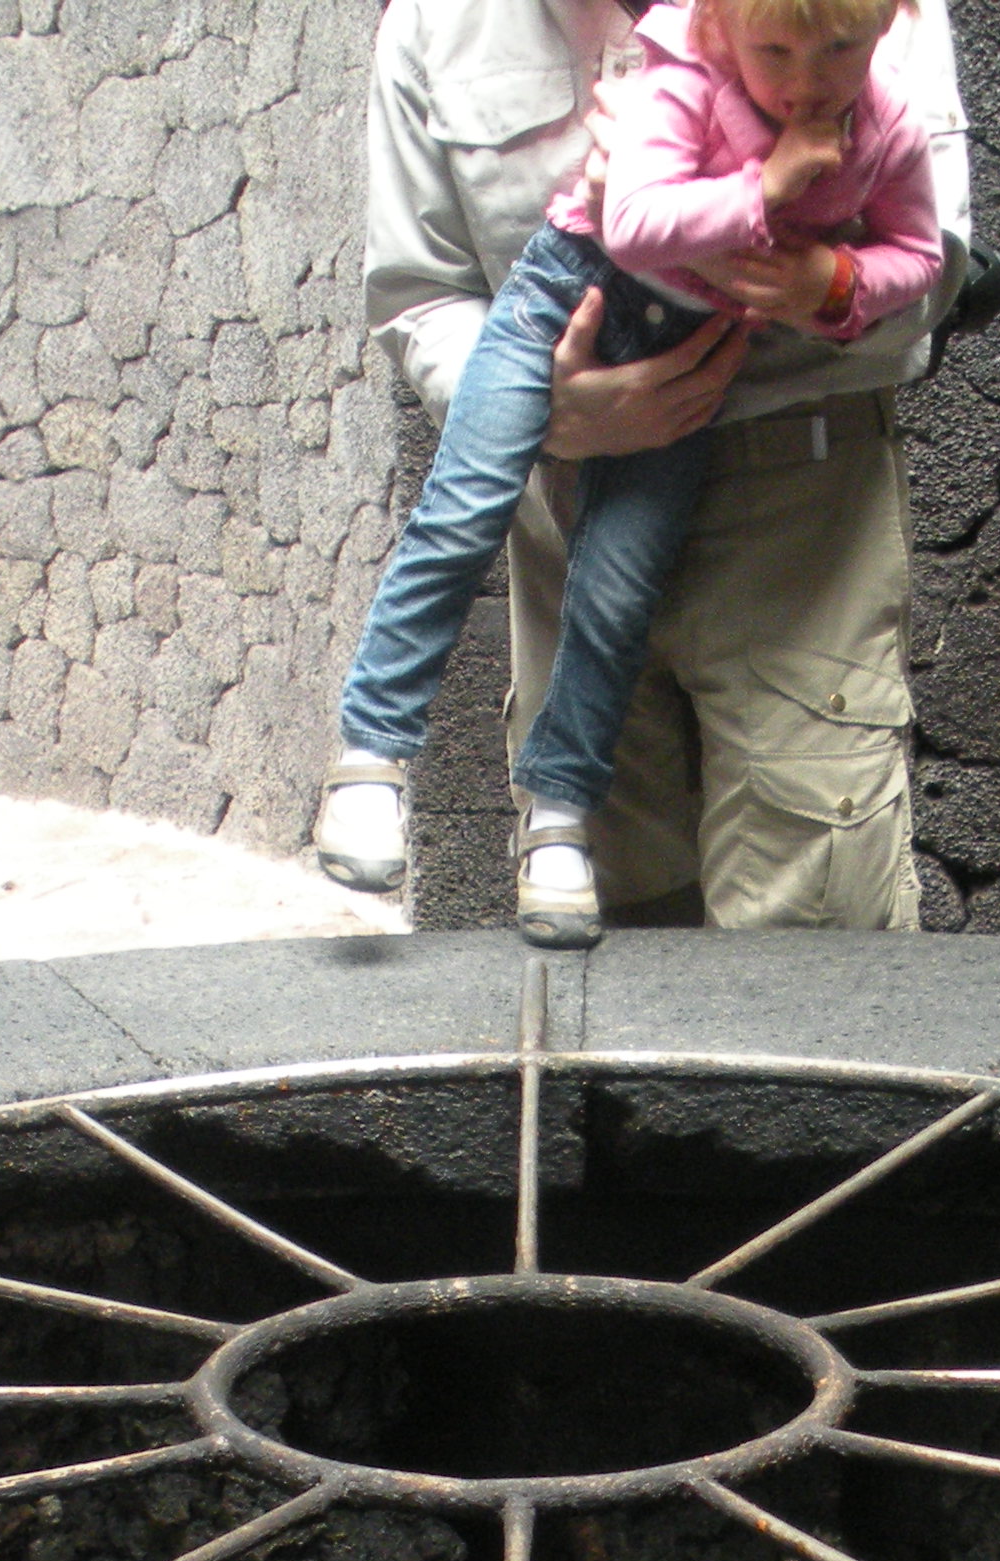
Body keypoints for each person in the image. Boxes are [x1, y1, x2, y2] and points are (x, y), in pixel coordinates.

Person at [320, 0, 945, 946]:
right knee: (597, 930)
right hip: (566, 498)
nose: (806, 74)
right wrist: (554, 417)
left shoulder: (854, 16)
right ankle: (377, 755)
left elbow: (937, 260)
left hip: (797, 506)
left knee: (809, 936)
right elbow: (421, 291)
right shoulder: (436, 24)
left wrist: (825, 283)